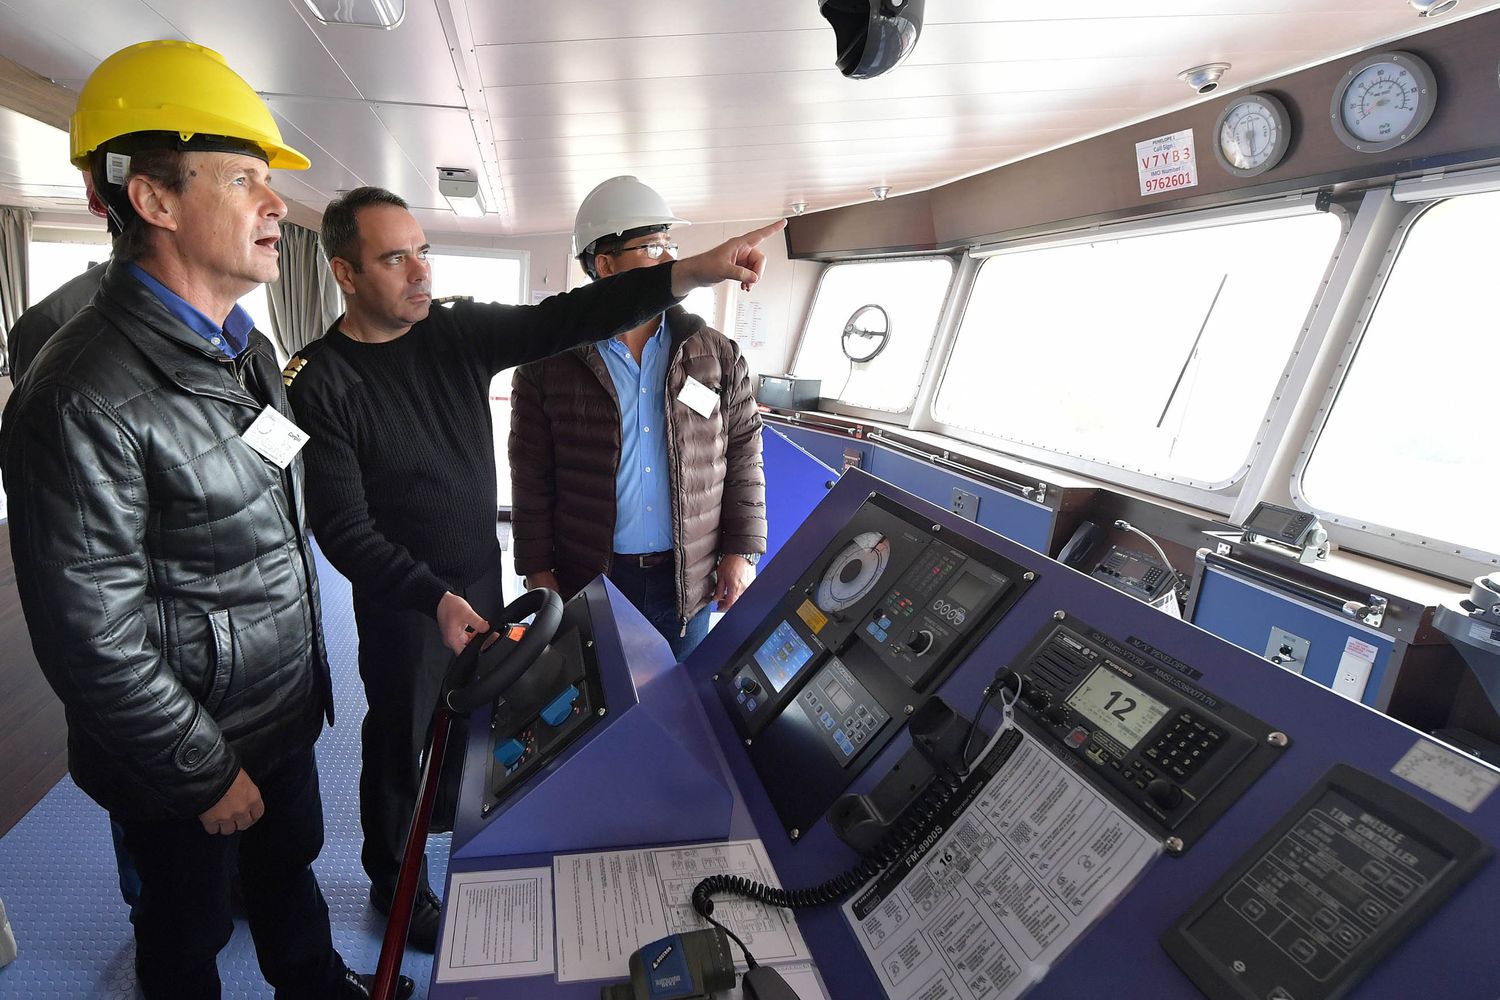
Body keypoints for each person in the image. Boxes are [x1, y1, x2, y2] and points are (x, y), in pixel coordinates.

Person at [0, 40, 412, 1000]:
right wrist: (200, 770)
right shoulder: (80, 396)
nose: (277, 206)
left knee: (288, 883)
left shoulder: (250, 351)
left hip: (277, 712)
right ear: (152, 200)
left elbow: (268, 516)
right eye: (245, 180)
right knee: (182, 941)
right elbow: (89, 636)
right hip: (182, 754)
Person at [283, 186, 783, 952]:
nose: (419, 272)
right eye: (395, 258)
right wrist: (432, 596)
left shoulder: (453, 332)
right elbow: (343, 529)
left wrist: (696, 271)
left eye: (424, 251)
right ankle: (395, 880)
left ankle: (444, 821)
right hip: (405, 603)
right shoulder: (323, 380)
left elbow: (567, 318)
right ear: (346, 274)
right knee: (398, 746)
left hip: (479, 583)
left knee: (470, 737)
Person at [509, 176, 767, 658]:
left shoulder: (715, 354)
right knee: (597, 714)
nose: (670, 260)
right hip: (591, 575)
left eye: (670, 244)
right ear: (605, 265)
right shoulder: (547, 363)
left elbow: (744, 454)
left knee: (680, 713)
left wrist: (740, 552)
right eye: (651, 247)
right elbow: (530, 477)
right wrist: (537, 569)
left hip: (687, 577)